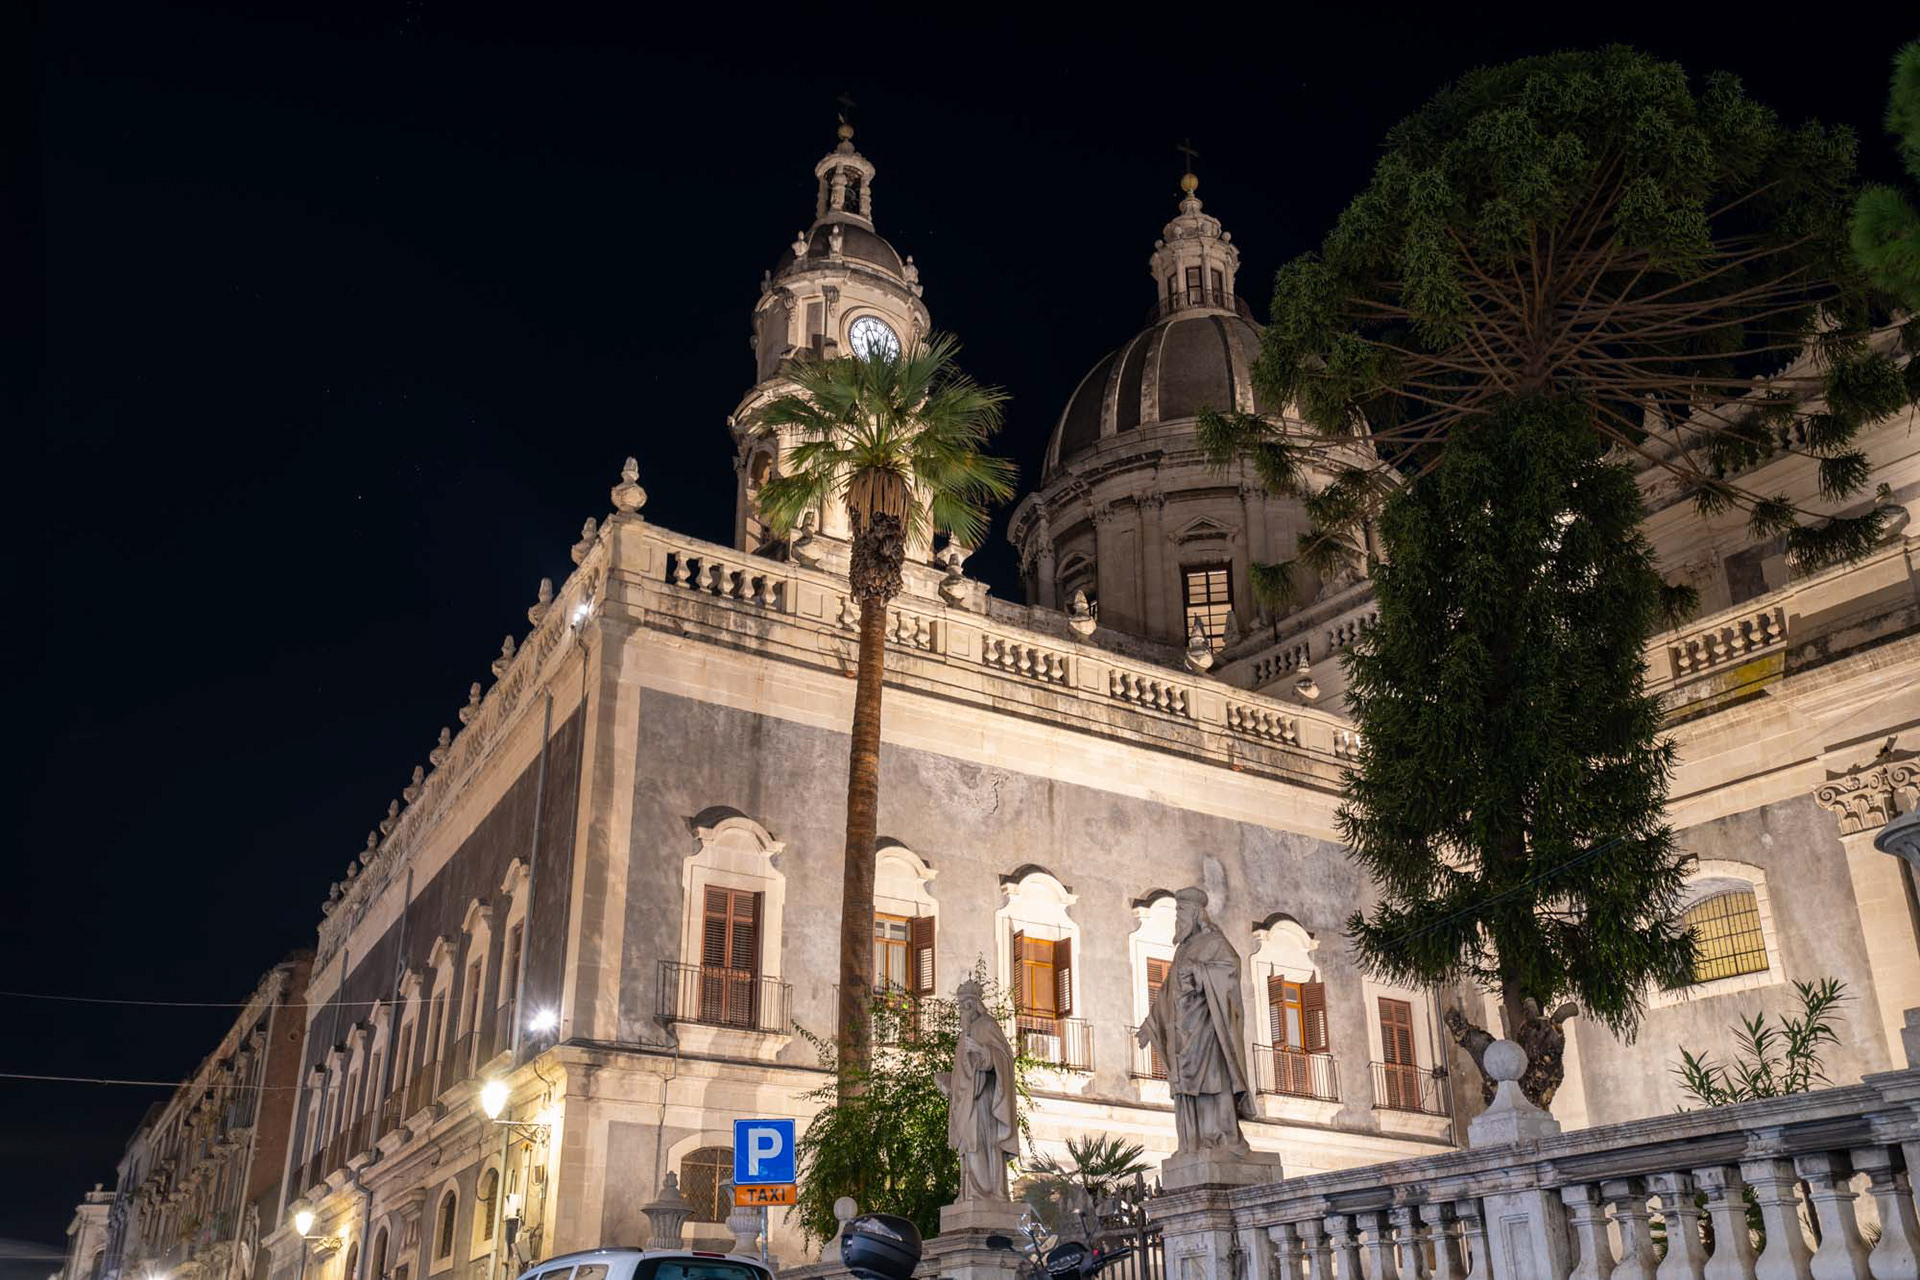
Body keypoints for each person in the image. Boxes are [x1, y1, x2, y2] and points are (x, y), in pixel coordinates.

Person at [1136, 888, 1257, 1154]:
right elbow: (1167, 991)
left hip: (1207, 1028)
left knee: (1213, 1083)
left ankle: (1222, 1137)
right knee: (1188, 1088)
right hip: (1182, 1034)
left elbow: (1230, 972)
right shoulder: (1183, 950)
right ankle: (1192, 1143)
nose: (1177, 918)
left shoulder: (1214, 942)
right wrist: (1150, 1024)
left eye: (1180, 912)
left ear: (1194, 913)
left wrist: (1200, 972)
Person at [938, 979, 1020, 1200]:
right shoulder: (963, 1037)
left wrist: (983, 1051)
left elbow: (1004, 1059)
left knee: (981, 1145)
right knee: (969, 1147)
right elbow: (962, 1074)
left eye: (966, 1004)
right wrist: (950, 1087)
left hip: (985, 1101)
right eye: (960, 1005)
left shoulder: (987, 1025)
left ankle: (986, 1192)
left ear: (976, 1004)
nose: (962, 1009)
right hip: (967, 1103)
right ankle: (970, 1193)